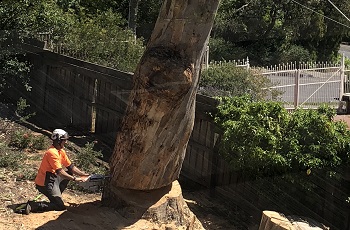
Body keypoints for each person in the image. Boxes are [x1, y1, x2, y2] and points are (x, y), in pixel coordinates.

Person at [24, 129, 90, 214]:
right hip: (45, 183)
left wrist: (83, 175)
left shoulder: (60, 151)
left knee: (69, 172)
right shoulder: (52, 153)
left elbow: (71, 167)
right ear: (58, 140)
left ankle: (55, 196)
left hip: (53, 179)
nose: (66, 142)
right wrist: (75, 179)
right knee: (60, 206)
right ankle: (33, 206)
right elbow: (60, 172)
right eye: (64, 140)